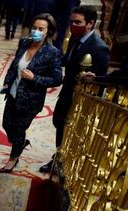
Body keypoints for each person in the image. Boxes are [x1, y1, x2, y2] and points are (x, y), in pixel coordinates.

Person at [39, 5, 110, 173]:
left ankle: (64, 163)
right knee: (58, 123)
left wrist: (93, 80)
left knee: (72, 132)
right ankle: (58, 156)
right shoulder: (74, 38)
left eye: (78, 22)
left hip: (81, 102)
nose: (72, 26)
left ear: (90, 23)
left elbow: (101, 83)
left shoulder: (99, 48)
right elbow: (67, 61)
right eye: (71, 22)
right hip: (66, 92)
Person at [0, 13, 63, 173]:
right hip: (13, 95)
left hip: (30, 101)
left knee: (19, 130)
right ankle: (20, 143)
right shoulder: (24, 42)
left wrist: (35, 78)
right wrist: (7, 82)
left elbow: (57, 79)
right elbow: (14, 65)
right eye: (34, 27)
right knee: (7, 125)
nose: (35, 31)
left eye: (40, 29)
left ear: (48, 32)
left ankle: (13, 159)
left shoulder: (52, 52)